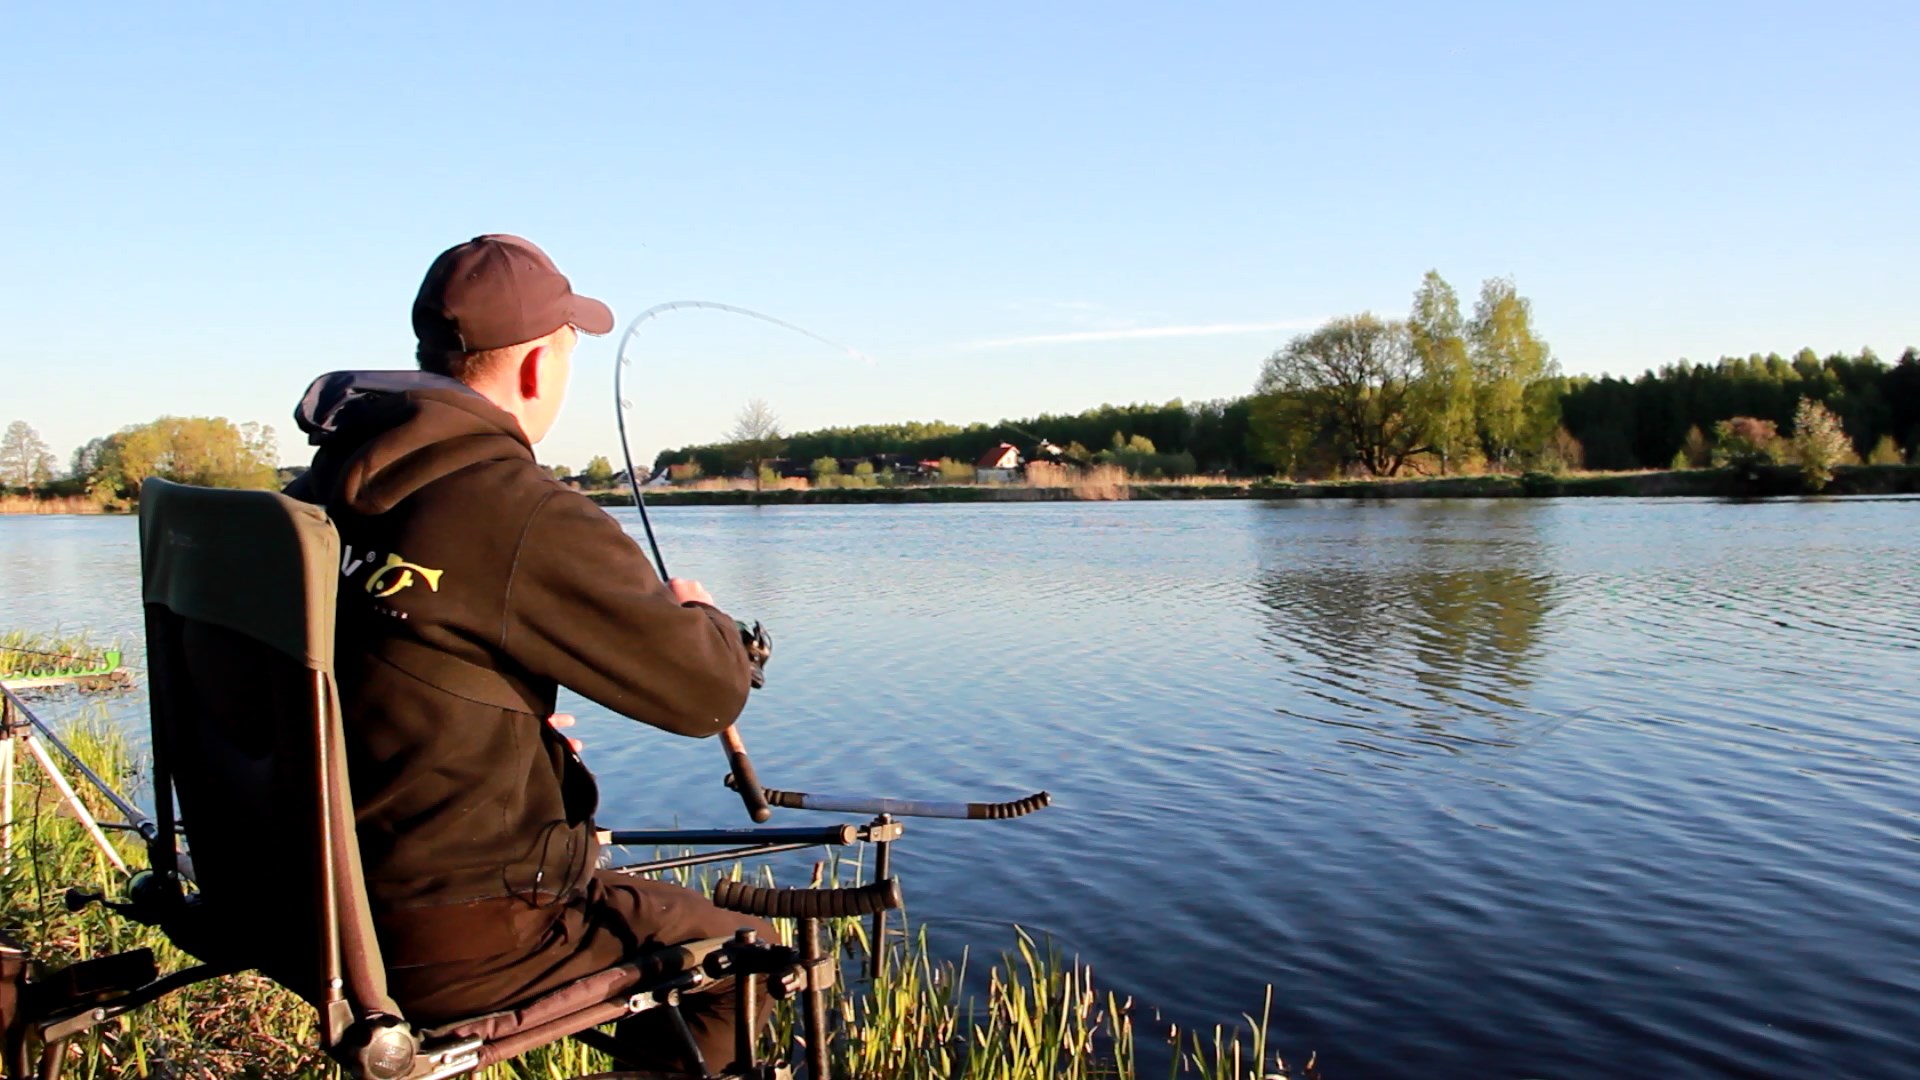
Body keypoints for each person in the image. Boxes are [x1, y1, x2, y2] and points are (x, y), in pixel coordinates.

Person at [285, 234, 773, 1074]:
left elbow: (381, 667)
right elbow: (705, 697)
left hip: (304, 898)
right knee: (750, 963)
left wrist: (516, 729)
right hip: (448, 930)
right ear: (539, 368)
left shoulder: (321, 489)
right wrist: (706, 619)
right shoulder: (520, 509)